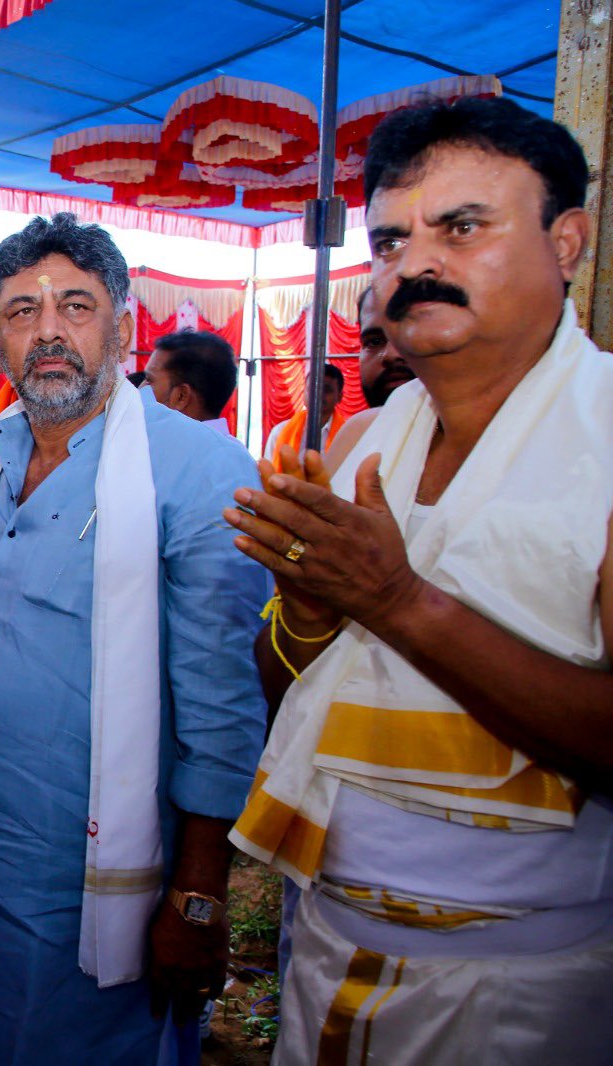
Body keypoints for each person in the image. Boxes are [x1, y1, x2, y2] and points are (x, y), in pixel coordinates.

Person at [224, 96, 613, 1063]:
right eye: (392, 240)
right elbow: (292, 693)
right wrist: (312, 609)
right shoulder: (361, 439)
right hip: (322, 943)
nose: (417, 264)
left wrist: (394, 600)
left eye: (463, 227)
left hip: (524, 990)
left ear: (568, 241)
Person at [0, 214, 267, 1063]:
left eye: (75, 305)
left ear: (122, 323)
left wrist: (198, 896)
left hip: (80, 890)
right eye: (19, 311)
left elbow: (222, 712)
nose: (48, 330)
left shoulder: (197, 468)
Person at [324, 286, 414, 468]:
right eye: (375, 341)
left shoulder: (485, 448)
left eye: (409, 334)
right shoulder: (356, 434)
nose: (390, 354)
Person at [142, 329, 240, 432]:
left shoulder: (167, 446)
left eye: (149, 380)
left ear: (181, 396)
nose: (141, 388)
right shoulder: (227, 446)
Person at [264, 362, 344, 465]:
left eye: (326, 389)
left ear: (339, 397)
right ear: (304, 392)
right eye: (312, 389)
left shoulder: (347, 434)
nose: (318, 394)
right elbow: (269, 475)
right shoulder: (280, 432)